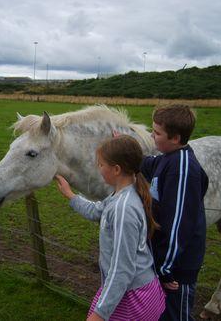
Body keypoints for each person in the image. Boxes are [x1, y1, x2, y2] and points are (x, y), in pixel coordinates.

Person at [55, 135, 165, 321]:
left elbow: (122, 268)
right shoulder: (122, 194)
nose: (99, 168)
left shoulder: (124, 208)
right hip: (127, 289)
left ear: (116, 169)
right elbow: (98, 211)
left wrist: (99, 314)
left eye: (101, 164)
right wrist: (71, 195)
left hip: (131, 297)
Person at [140, 104, 209, 321]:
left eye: (157, 133)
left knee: (175, 315)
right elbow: (147, 165)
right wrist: (124, 148)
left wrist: (165, 269)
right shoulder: (167, 158)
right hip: (165, 261)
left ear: (176, 137)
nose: (152, 135)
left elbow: (178, 224)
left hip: (177, 267)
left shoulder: (182, 169)